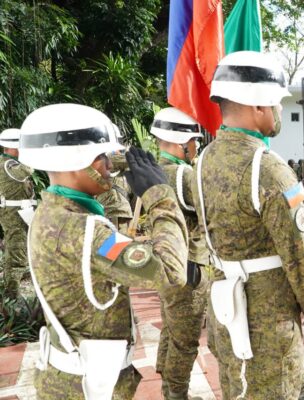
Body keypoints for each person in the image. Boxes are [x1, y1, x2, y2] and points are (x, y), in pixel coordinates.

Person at [192, 51, 304, 400]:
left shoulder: (203, 161)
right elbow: (299, 255)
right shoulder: (269, 169)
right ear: (258, 106)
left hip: (227, 316)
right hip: (267, 329)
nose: (279, 112)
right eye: (276, 103)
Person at [20, 103, 188, 399]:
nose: (110, 164)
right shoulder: (84, 231)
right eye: (101, 157)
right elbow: (171, 272)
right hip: (87, 386)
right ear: (74, 160)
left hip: (75, 380)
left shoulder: (52, 214)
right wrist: (160, 196)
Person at [150, 107, 211, 400]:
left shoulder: (151, 172)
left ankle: (166, 382)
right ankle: (175, 394)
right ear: (181, 143)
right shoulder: (185, 175)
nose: (197, 146)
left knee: (170, 330)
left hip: (163, 263)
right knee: (185, 341)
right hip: (190, 266)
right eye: (194, 141)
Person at [0, 128, 36, 298]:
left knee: (16, 251)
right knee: (16, 255)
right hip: (14, 215)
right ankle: (12, 296)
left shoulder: (8, 163)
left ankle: (11, 294)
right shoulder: (8, 165)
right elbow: (28, 170)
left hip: (18, 212)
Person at [96, 125, 133, 234]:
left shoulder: (111, 156)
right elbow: (130, 159)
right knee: (114, 243)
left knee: (120, 242)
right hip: (113, 207)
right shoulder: (107, 156)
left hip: (120, 207)